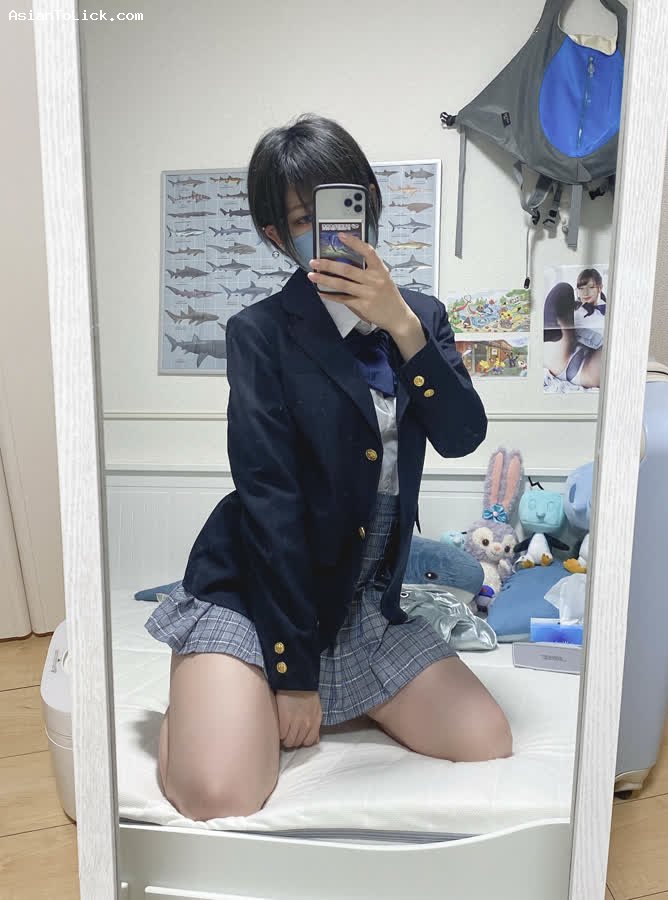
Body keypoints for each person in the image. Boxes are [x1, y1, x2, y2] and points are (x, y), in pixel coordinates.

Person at [144, 113, 512, 823]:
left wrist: (402, 326)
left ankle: (296, 700)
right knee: (218, 793)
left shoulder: (422, 318)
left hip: (363, 600)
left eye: (341, 204)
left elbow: (462, 435)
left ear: (368, 200)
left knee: (485, 739)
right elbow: (270, 503)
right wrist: (293, 676)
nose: (330, 229)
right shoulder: (259, 333)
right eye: (301, 219)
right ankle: (203, 700)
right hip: (259, 592)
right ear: (277, 236)